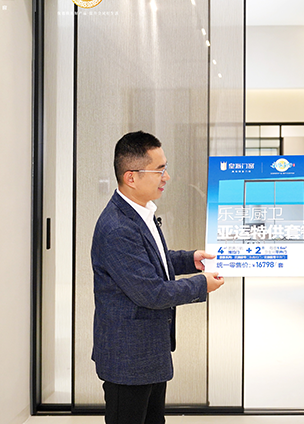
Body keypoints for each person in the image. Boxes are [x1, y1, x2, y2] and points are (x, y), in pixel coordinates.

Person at [91, 130, 225, 424]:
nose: (167, 177)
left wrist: (190, 259)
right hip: (128, 358)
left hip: (149, 350)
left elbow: (151, 260)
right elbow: (151, 292)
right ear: (131, 177)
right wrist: (201, 284)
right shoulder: (117, 227)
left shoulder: (141, 212)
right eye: (159, 170)